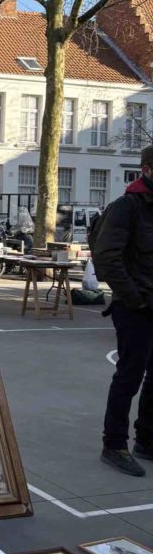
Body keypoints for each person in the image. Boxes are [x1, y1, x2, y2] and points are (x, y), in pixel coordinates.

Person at [94, 146, 153, 477]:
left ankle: (146, 439)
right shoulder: (127, 207)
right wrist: (134, 298)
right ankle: (114, 444)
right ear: (147, 169)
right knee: (129, 376)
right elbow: (106, 259)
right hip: (135, 308)